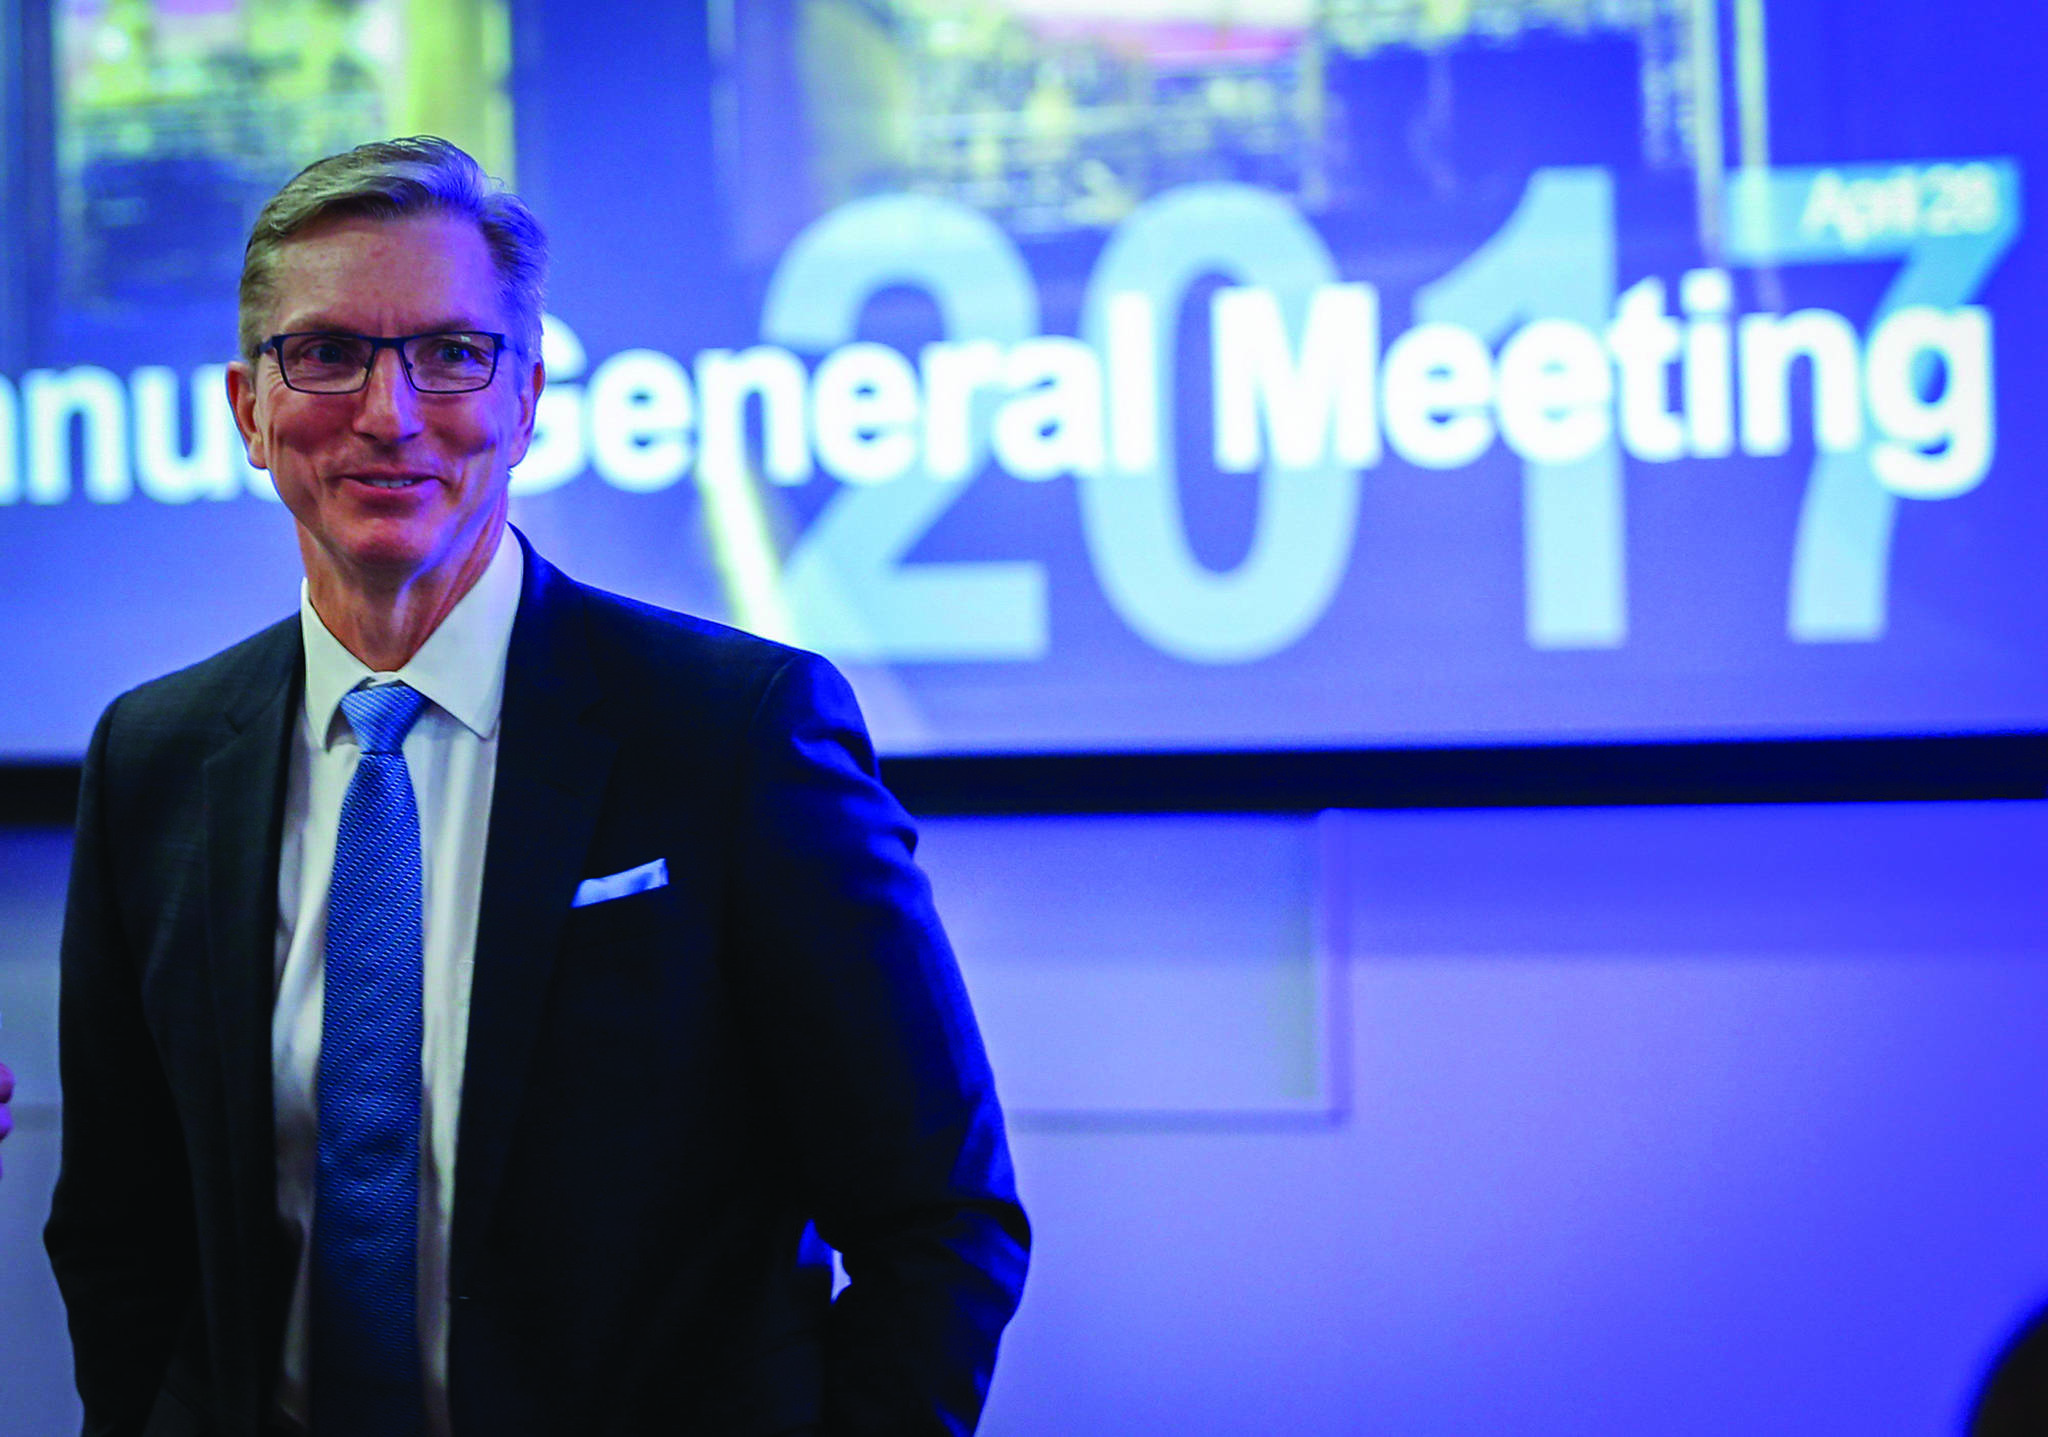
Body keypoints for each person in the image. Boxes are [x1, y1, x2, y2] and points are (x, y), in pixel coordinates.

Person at [44, 136, 1027, 1437]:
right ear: (248, 410)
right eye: (329, 351)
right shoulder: (151, 760)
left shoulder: (733, 737)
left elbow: (939, 1223)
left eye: (452, 354)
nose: (391, 413)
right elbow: (120, 1231)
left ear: (527, 400)